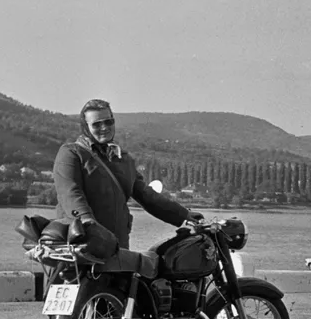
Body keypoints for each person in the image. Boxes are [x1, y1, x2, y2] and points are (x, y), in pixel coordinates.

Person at [52, 99, 203, 255]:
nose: (104, 128)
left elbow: (147, 195)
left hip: (117, 245)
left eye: (108, 122)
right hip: (82, 246)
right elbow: (70, 193)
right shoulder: (71, 153)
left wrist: (183, 214)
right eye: (96, 124)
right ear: (86, 127)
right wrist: (86, 221)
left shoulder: (122, 159)